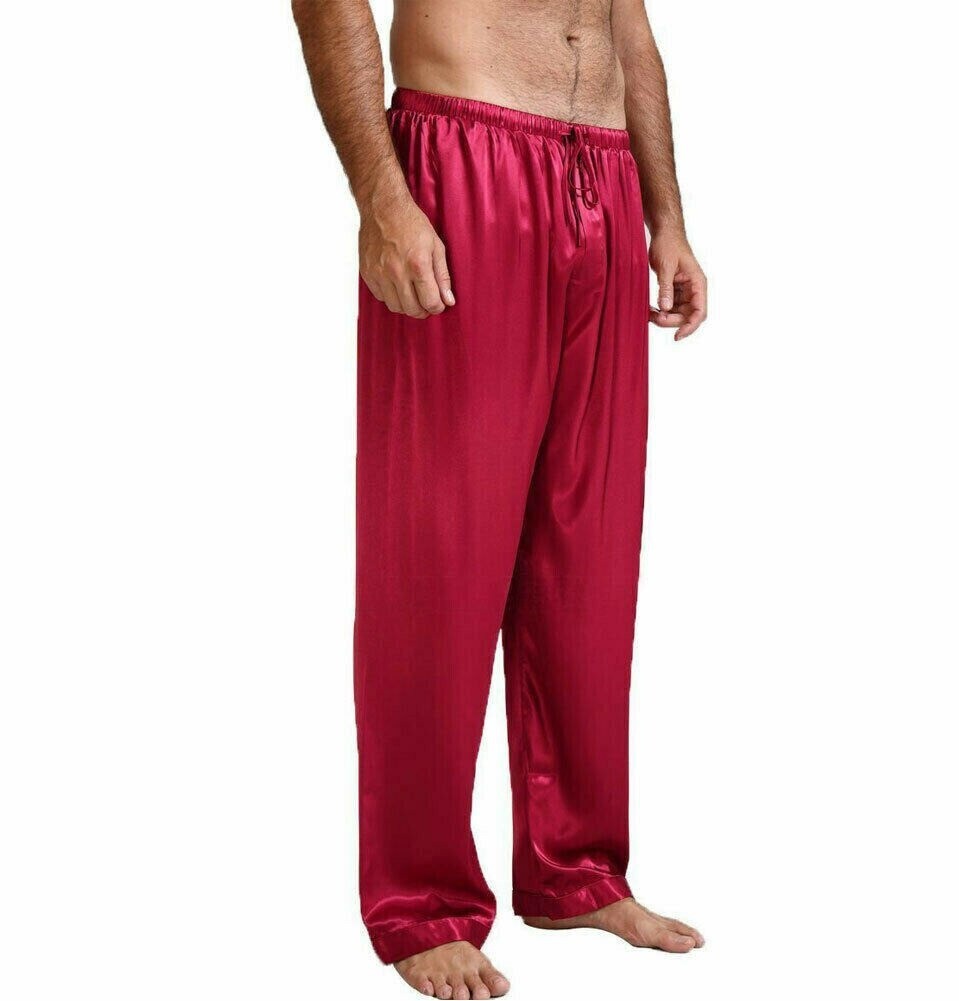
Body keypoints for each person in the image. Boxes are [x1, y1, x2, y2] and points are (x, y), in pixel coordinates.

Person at [291, 1, 707, 996]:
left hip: (602, 173)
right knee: (437, 552)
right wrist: (383, 199)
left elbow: (625, 22)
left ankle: (574, 869)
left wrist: (667, 217)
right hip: (463, 154)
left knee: (587, 552)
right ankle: (420, 899)